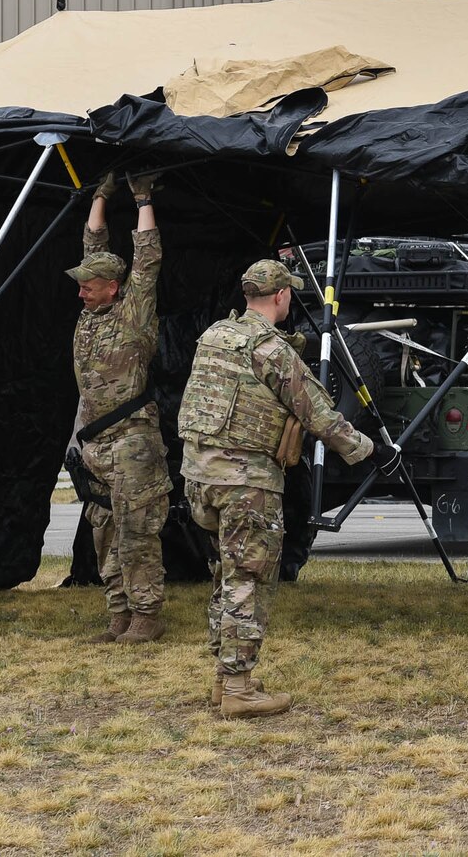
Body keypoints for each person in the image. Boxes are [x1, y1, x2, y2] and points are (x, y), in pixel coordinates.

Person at [179, 259, 377, 717]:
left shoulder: (214, 335)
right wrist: (370, 451)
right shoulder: (271, 349)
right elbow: (319, 415)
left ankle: (224, 679)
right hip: (245, 483)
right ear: (282, 296)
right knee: (248, 578)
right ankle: (239, 690)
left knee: (226, 576)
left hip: (200, 478)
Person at [67, 172, 168, 644]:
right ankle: (119, 613)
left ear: (113, 287)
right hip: (96, 443)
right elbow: (94, 245)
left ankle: (147, 615)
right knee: (103, 526)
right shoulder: (89, 314)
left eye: (90, 285)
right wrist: (101, 196)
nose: (81, 291)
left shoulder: (134, 310)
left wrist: (142, 198)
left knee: (138, 529)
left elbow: (147, 258)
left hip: (132, 440)